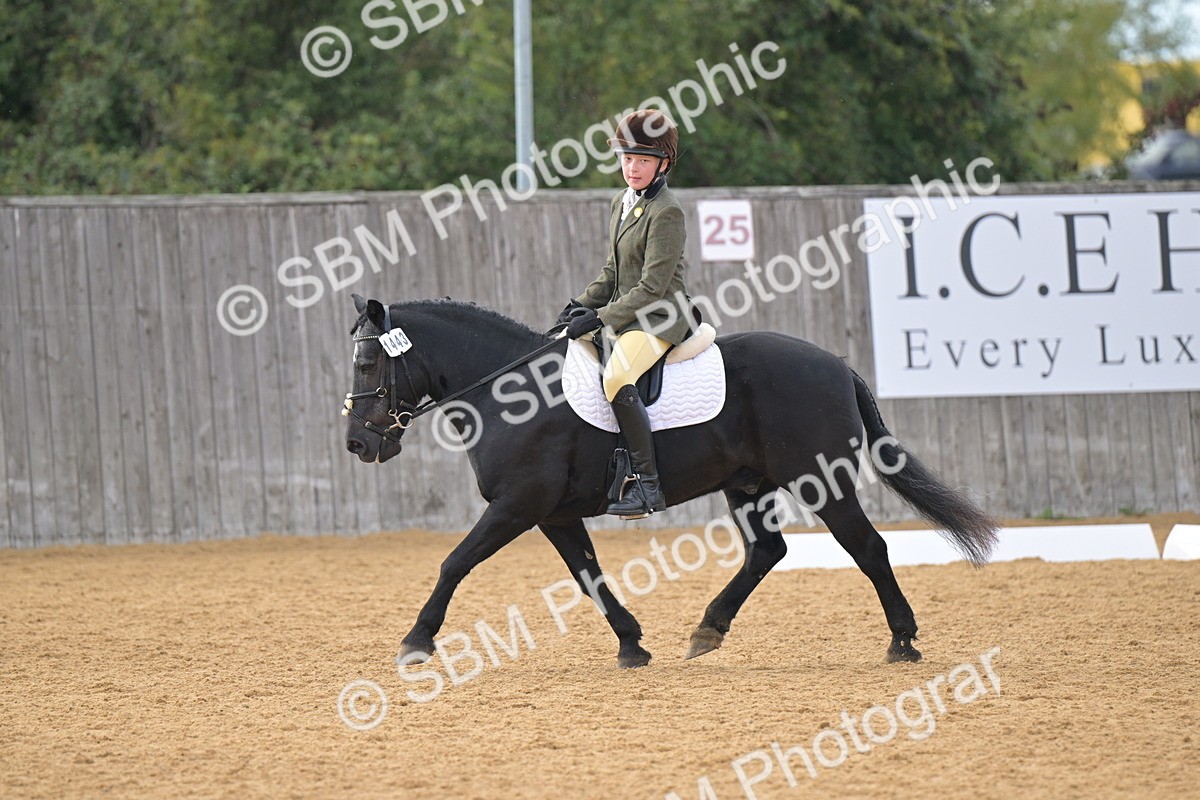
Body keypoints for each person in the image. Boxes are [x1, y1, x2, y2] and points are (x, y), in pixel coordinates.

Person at [554, 109, 692, 518]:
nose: (632, 167)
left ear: (663, 164)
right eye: (627, 158)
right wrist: (580, 304)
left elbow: (651, 287)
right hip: (627, 312)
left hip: (660, 317)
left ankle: (648, 486)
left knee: (617, 375)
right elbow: (613, 272)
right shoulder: (621, 201)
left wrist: (599, 319)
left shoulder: (667, 211)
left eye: (643, 160)